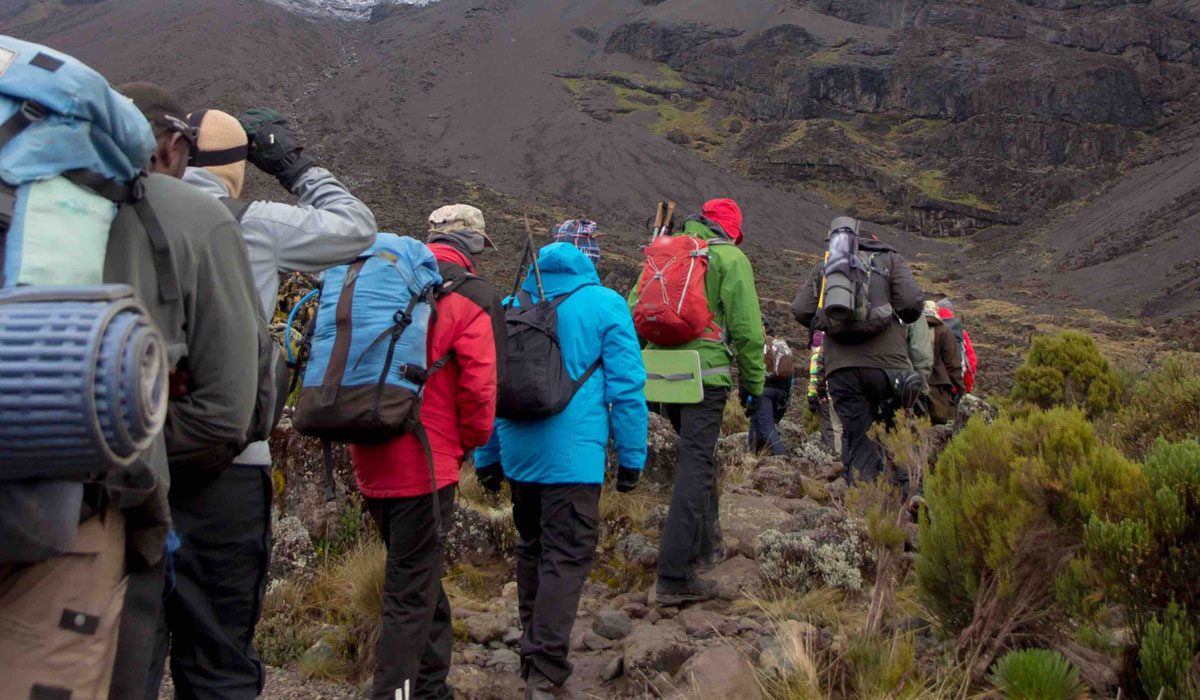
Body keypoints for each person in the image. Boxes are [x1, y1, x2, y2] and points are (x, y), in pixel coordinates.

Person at [0, 78, 259, 700]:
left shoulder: (25, 200)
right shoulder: (195, 217)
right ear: (171, 146)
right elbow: (228, 412)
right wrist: (139, 410)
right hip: (95, 515)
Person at [147, 107, 375, 698]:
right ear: (236, 169)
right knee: (218, 656)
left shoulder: (123, 210)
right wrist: (294, 166)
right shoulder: (254, 223)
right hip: (227, 464)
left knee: (128, 647)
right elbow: (357, 227)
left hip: (130, 457)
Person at [476, 241, 648, 699]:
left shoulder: (511, 305)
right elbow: (627, 388)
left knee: (531, 548)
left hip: (518, 456)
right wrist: (632, 458)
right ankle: (545, 666)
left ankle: (532, 651)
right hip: (574, 459)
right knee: (566, 555)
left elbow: (487, 385)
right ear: (586, 265)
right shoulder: (605, 304)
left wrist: (486, 457)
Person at [349, 206, 502, 700]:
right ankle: (394, 692)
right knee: (409, 594)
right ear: (472, 245)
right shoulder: (471, 299)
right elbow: (480, 391)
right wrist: (469, 445)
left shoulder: (382, 286)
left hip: (368, 452)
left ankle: (431, 686)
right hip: (425, 464)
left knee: (417, 574)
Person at [628, 198, 765, 605]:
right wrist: (753, 385)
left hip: (658, 375)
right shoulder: (730, 259)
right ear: (731, 231)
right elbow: (747, 331)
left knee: (698, 460)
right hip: (703, 376)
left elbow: (635, 310)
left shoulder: (665, 251)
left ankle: (708, 546)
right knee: (696, 462)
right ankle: (674, 575)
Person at [792, 220, 923, 485]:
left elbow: (800, 309)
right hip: (890, 366)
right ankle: (911, 491)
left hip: (843, 369)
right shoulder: (889, 259)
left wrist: (827, 324)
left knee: (859, 440)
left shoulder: (829, 264)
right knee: (897, 430)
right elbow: (911, 306)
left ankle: (865, 499)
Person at [750, 320, 793, 456]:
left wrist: (749, 399)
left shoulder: (758, 345)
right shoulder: (781, 345)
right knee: (756, 424)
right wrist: (786, 397)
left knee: (767, 429)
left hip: (763, 392)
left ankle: (783, 459)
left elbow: (750, 374)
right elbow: (790, 376)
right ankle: (751, 457)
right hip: (780, 392)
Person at [924, 301, 965, 424]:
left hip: (913, 383)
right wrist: (960, 388)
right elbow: (952, 363)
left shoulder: (911, 329)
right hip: (938, 386)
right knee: (940, 424)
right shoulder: (944, 331)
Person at [807, 331, 840, 455]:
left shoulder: (817, 354)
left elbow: (814, 377)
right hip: (838, 391)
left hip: (825, 394)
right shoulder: (834, 350)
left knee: (829, 426)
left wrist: (812, 396)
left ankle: (834, 454)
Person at [936, 298, 978, 394]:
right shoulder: (960, 332)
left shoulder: (928, 328)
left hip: (932, 386)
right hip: (954, 387)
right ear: (951, 311)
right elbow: (970, 363)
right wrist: (966, 387)